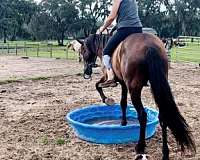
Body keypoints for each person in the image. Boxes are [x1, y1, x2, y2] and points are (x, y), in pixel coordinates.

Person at [98, 0, 143, 88]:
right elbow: (125, 17)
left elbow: (111, 17)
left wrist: (102, 29)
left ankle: (111, 78)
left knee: (106, 52)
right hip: (138, 29)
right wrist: (113, 29)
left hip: (125, 30)